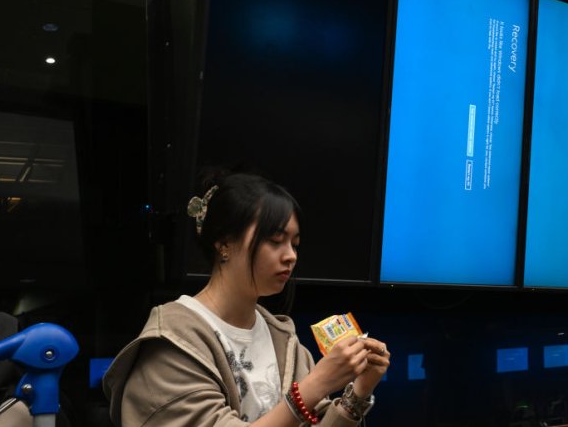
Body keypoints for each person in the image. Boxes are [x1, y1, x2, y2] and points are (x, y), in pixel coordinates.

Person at [103, 170, 389, 426]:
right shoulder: (173, 342)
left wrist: (360, 391)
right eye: (275, 241)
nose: (290, 255)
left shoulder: (284, 341)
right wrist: (312, 388)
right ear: (224, 243)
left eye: (295, 244)